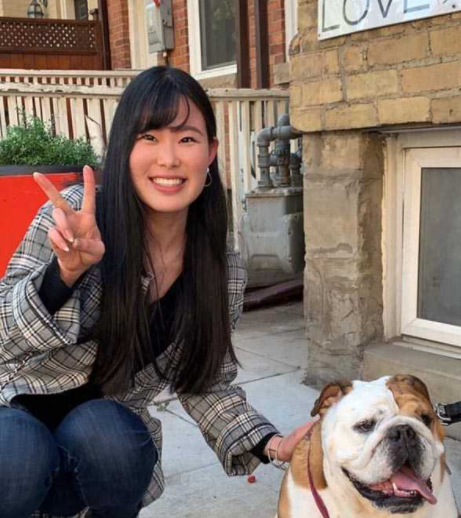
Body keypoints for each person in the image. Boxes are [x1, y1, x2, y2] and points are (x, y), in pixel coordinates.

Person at [0, 66, 315, 518]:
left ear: (210, 152)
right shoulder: (74, 217)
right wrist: (62, 275)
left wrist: (273, 444)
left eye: (186, 139)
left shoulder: (219, 269)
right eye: (148, 137)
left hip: (100, 440)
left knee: (110, 436)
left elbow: (205, 381)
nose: (168, 158)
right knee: (18, 451)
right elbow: (3, 337)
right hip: (13, 414)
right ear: (123, 148)